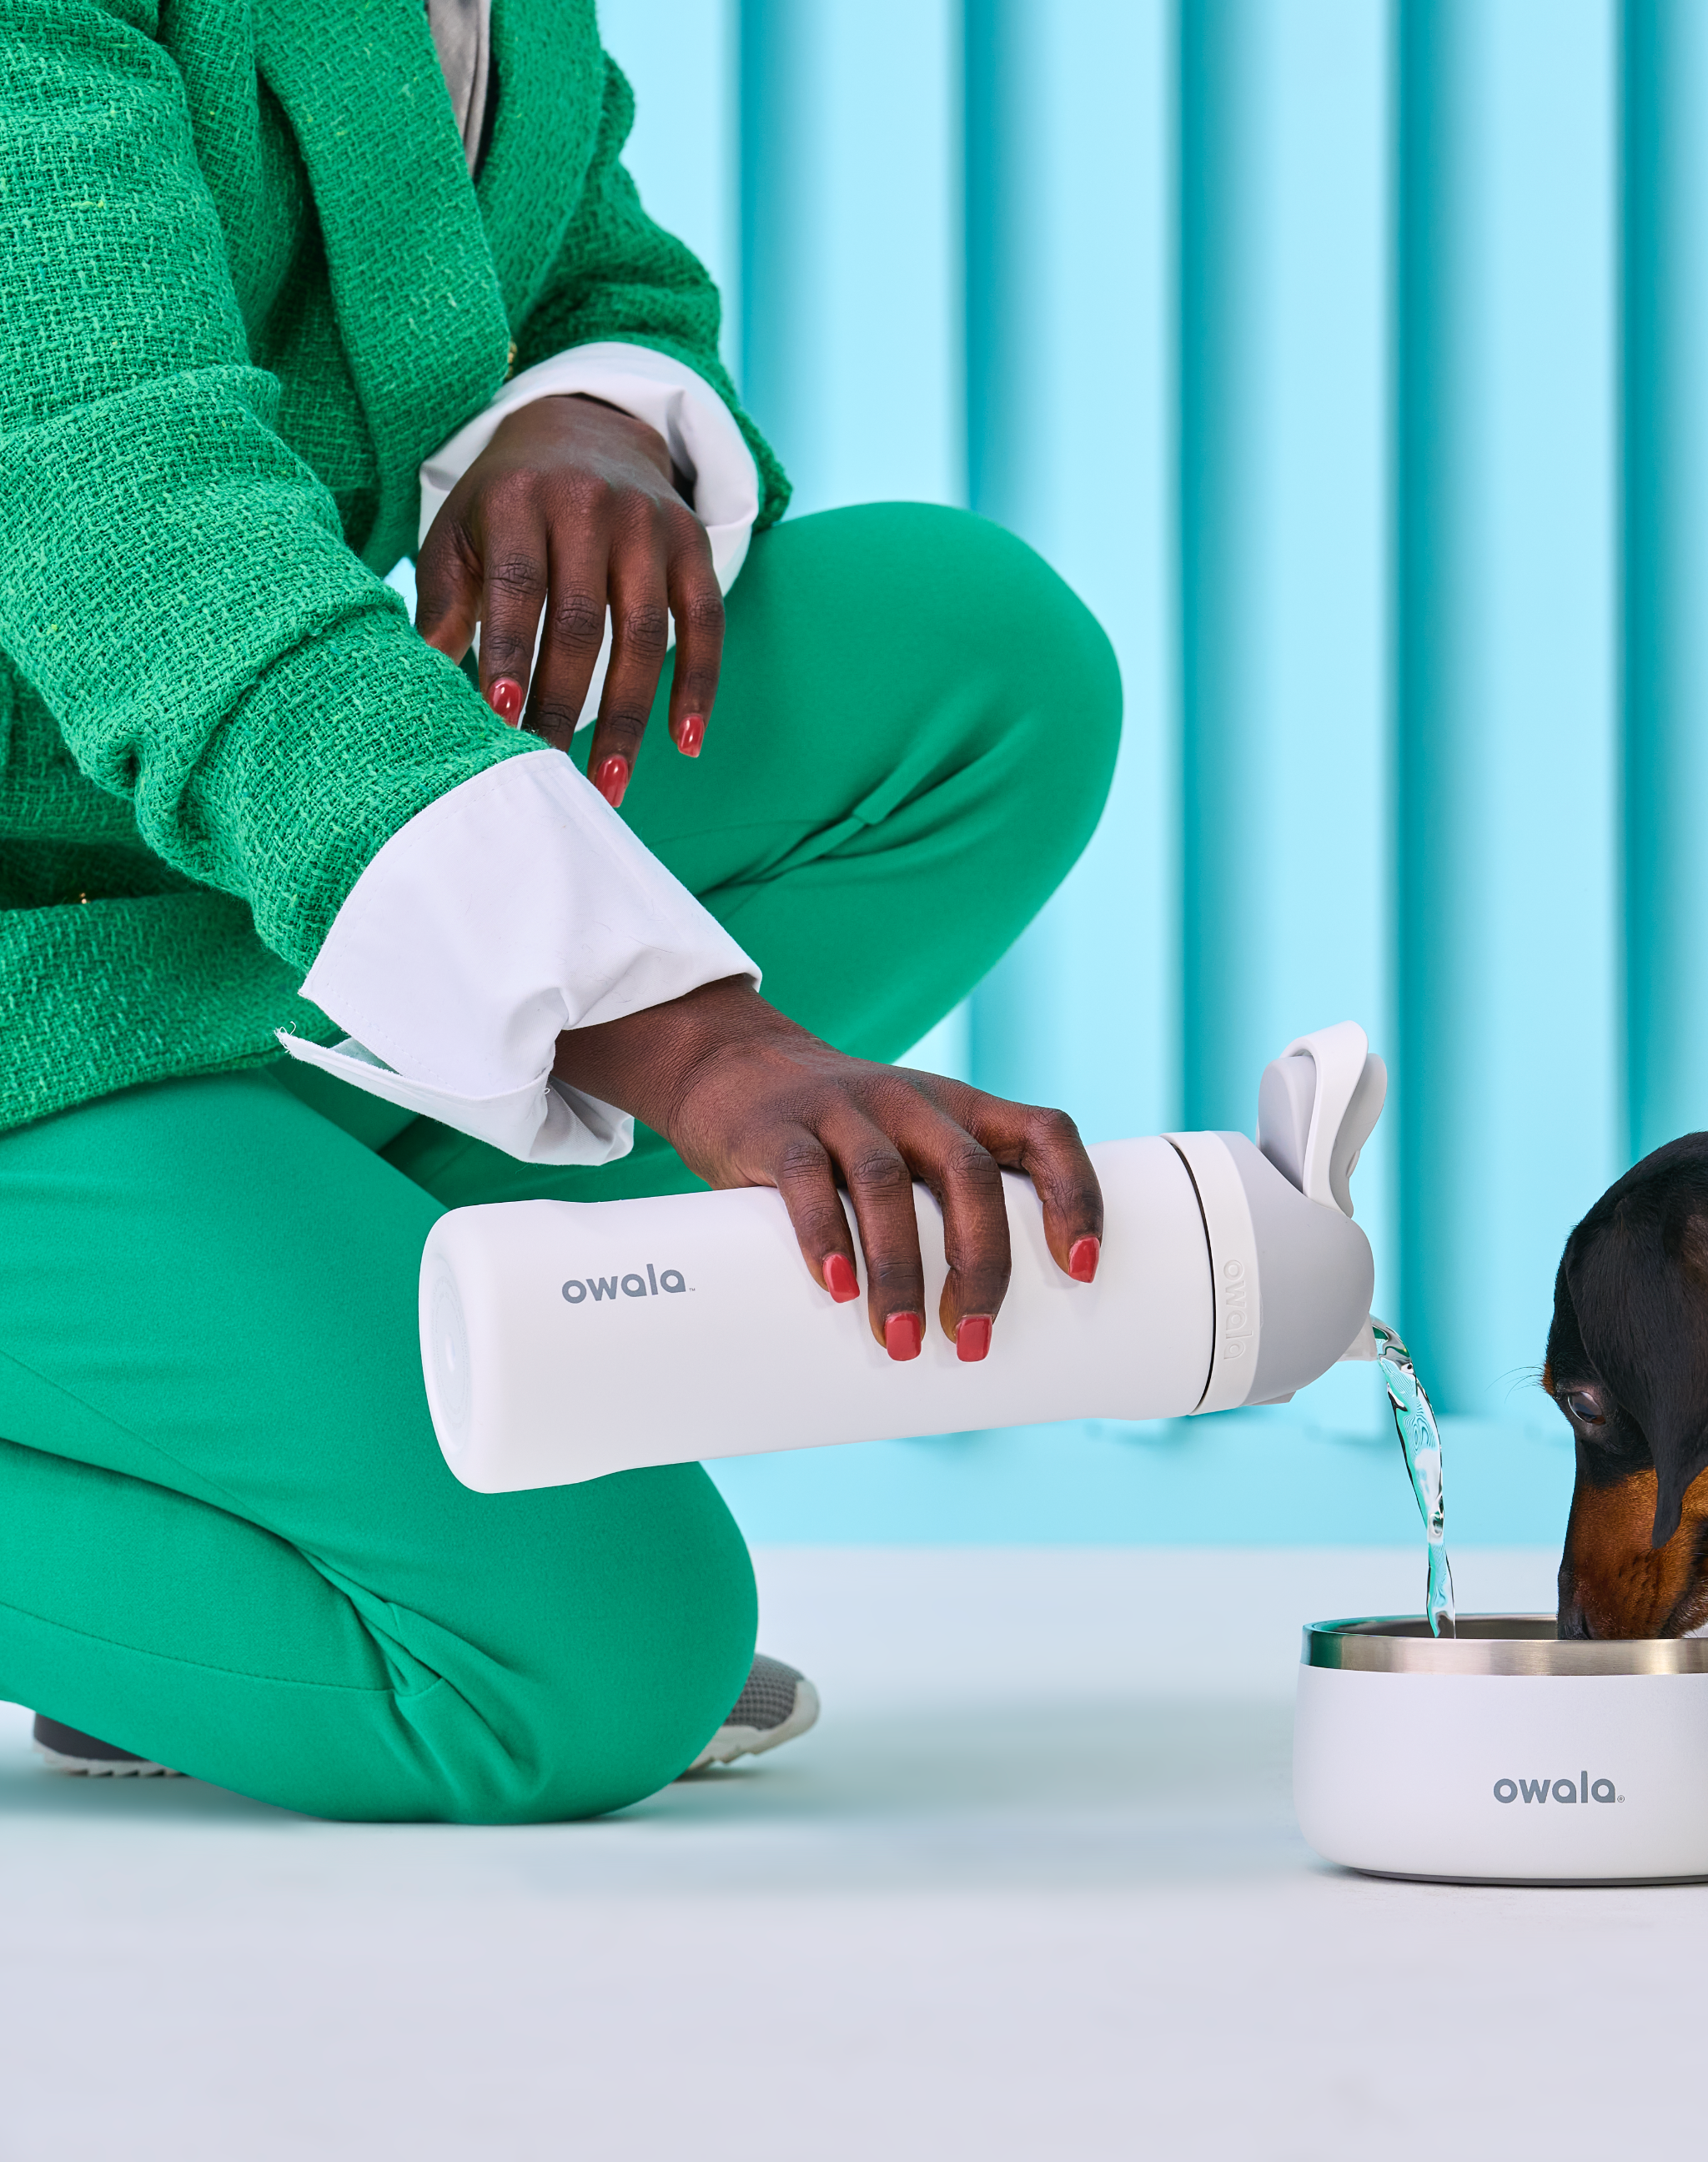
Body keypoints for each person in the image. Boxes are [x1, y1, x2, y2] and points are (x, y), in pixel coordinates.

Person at [0, 2, 1120, 1818]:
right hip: (32, 998)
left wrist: (586, 413)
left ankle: (251, 1493)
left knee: (971, 672)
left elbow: (596, 265)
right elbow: (135, 523)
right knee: (578, 1668)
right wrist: (692, 1035)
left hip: (176, 891)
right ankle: (296, 1520)